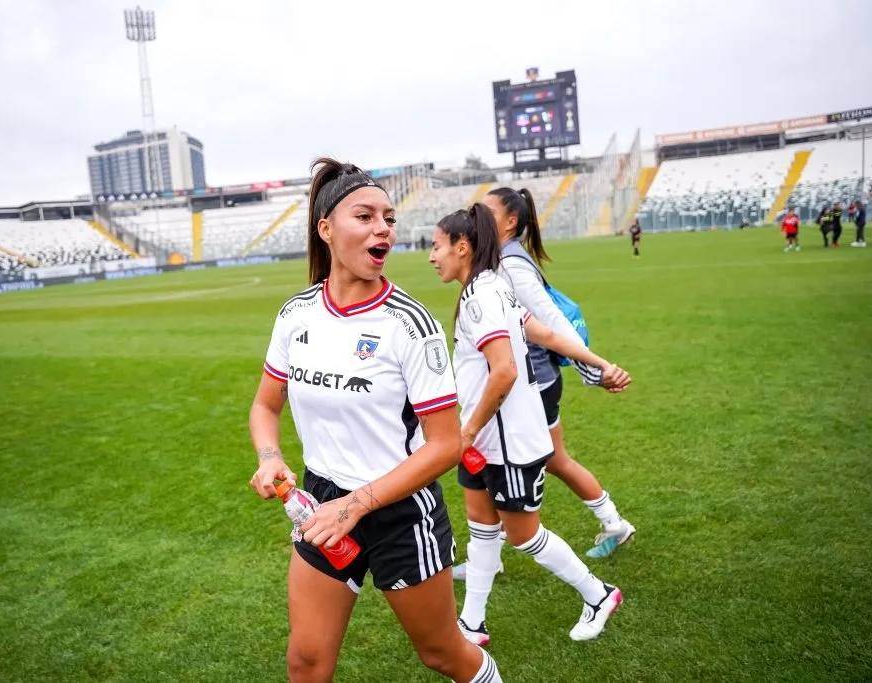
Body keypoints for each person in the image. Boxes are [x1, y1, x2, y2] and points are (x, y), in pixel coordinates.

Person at [248, 157, 503, 683]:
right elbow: (265, 405)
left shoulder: (411, 325)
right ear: (325, 229)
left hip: (399, 512)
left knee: (443, 655)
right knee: (306, 661)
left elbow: (444, 445)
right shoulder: (296, 315)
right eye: (364, 216)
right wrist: (270, 456)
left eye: (387, 218)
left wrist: (357, 505)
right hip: (321, 502)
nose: (382, 227)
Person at [429, 203, 626, 644]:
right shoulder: (493, 286)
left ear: (463, 247)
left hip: (506, 441)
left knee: (522, 535)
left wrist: (465, 432)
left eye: (436, 246)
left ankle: (599, 594)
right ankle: (472, 623)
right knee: (481, 526)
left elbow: (504, 372)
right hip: (486, 440)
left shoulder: (482, 295)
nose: (431, 255)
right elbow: (547, 334)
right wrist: (601, 364)